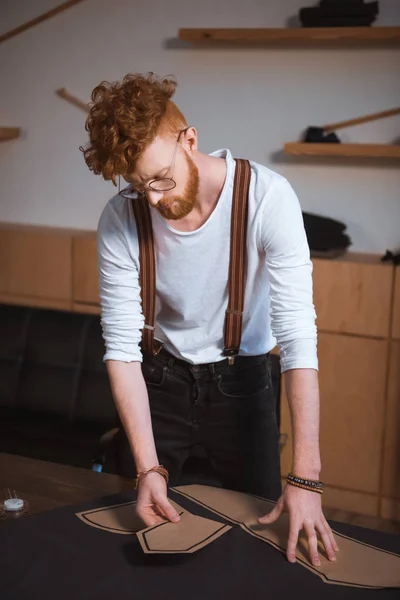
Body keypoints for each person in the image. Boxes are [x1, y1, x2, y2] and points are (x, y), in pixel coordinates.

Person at [80, 72, 339, 566]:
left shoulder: (267, 197)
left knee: (259, 541)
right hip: (160, 381)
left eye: (159, 178)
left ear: (190, 139)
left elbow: (298, 339)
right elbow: (120, 348)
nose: (153, 198)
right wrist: (146, 467)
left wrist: (306, 476)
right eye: (138, 186)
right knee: (137, 540)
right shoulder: (121, 218)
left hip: (245, 382)